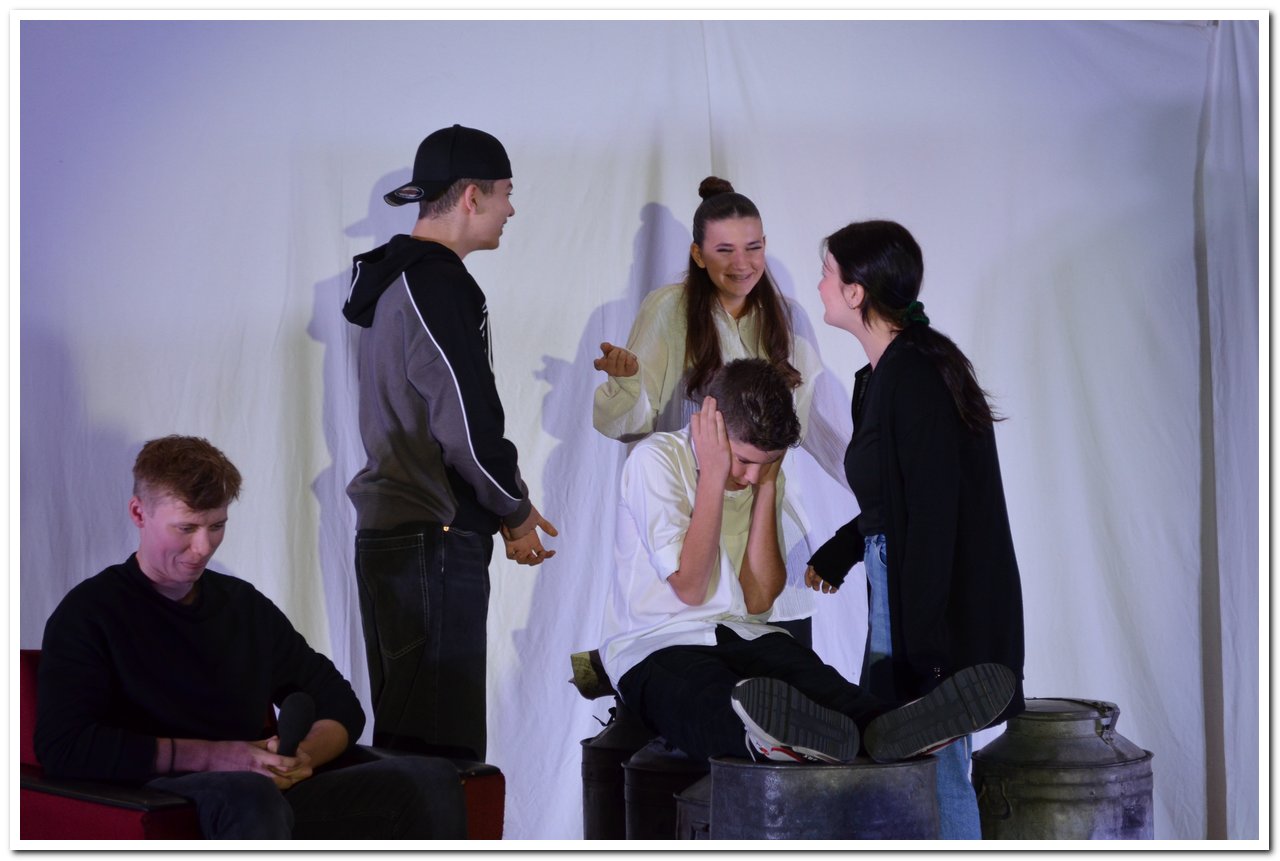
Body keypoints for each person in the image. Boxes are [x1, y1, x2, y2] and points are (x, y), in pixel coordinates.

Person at [34, 435, 467, 840]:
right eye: (186, 528)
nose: (204, 547)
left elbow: (339, 704)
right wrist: (222, 757)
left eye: (217, 526)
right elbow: (65, 747)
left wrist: (301, 758)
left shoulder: (242, 606)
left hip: (257, 797)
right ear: (138, 513)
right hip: (156, 798)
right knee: (248, 792)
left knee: (431, 778)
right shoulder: (90, 613)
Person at [599, 359, 1015, 769]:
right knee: (710, 698)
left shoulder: (761, 475)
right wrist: (713, 474)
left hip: (743, 632)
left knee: (827, 688)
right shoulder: (655, 461)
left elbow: (759, 600)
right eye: (743, 461)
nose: (750, 476)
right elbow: (690, 588)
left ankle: (892, 727)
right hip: (657, 643)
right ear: (713, 430)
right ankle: (772, 741)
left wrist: (767, 488)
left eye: (766, 463)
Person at [805, 220, 1027, 838]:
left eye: (827, 273)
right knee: (902, 760)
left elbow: (933, 515)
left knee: (930, 762)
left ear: (856, 292)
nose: (819, 285)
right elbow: (898, 495)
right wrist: (846, 547)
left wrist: (928, 657)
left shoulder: (916, 375)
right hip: (898, 583)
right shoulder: (886, 373)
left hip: (924, 599)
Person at [343, 124, 558, 760]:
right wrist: (513, 509)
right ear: (471, 196)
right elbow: (464, 420)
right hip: (431, 537)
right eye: (505, 193)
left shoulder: (397, 280)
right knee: (441, 759)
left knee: (409, 746)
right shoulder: (436, 283)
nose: (510, 208)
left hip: (399, 536)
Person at [593, 176, 848, 648]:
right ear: (698, 254)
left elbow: (820, 423)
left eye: (753, 248)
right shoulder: (669, 310)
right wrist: (626, 383)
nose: (741, 264)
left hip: (765, 513)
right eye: (724, 250)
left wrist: (880, 487)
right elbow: (631, 424)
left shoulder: (787, 316)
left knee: (786, 663)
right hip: (695, 518)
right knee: (701, 661)